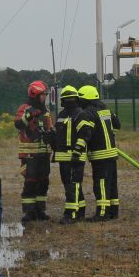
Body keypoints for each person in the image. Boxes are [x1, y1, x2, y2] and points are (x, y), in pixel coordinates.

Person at [73, 85, 121, 220]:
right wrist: (111, 137)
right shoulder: (106, 110)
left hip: (100, 155)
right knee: (111, 184)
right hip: (111, 153)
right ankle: (113, 212)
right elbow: (117, 125)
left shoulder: (88, 114)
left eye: (80, 99)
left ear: (85, 99)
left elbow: (86, 133)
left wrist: (78, 150)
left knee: (100, 184)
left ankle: (102, 214)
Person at [14, 80, 54, 222]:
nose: (45, 98)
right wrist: (28, 116)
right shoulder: (24, 108)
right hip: (29, 154)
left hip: (44, 154)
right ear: (35, 94)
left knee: (43, 182)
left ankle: (40, 209)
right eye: (43, 95)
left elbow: (50, 128)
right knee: (30, 182)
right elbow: (18, 124)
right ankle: (28, 211)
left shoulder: (46, 111)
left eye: (45, 95)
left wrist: (52, 135)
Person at [51, 85, 87, 223]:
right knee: (70, 185)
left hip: (75, 157)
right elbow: (59, 136)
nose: (68, 102)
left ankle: (71, 214)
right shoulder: (61, 115)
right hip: (63, 157)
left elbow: (85, 135)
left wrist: (77, 151)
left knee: (73, 185)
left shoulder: (80, 114)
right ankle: (80, 210)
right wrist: (51, 139)